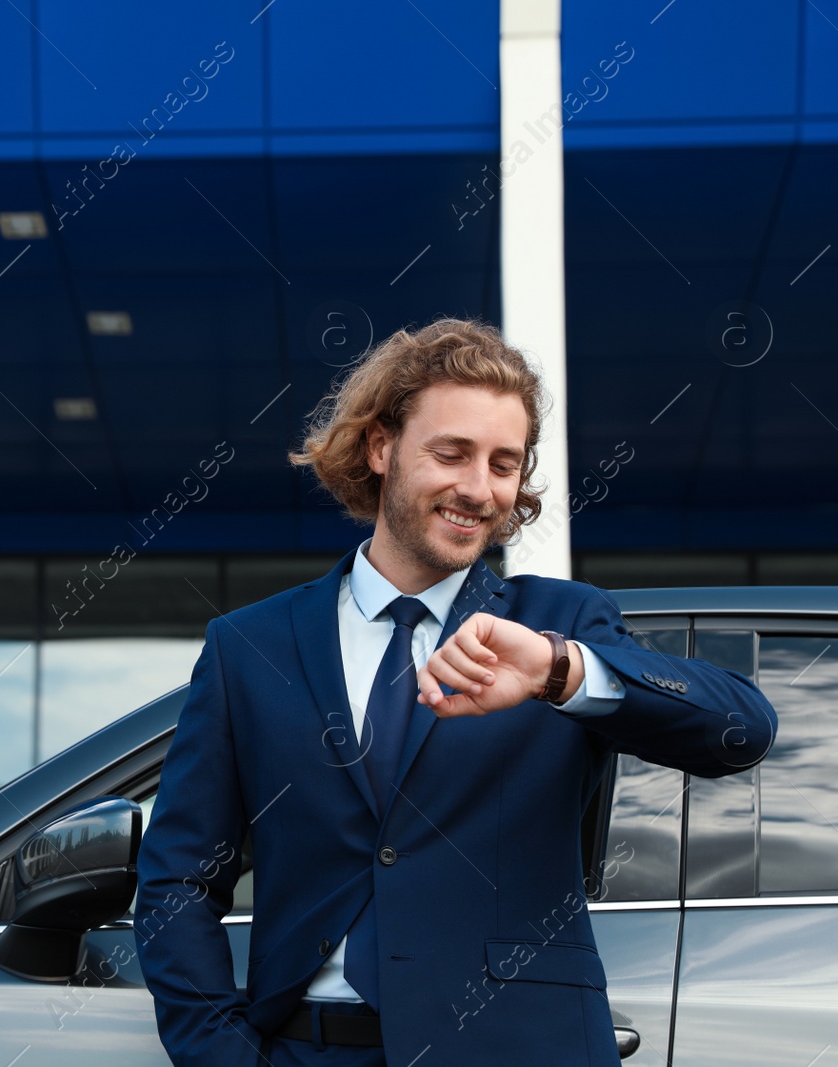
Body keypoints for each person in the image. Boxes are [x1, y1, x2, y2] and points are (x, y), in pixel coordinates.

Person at [132, 319, 777, 1066]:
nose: (479, 488)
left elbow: (741, 728)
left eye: (505, 463)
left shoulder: (562, 624)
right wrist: (224, 1054)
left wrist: (555, 669)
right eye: (453, 453)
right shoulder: (249, 648)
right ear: (381, 448)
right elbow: (178, 878)